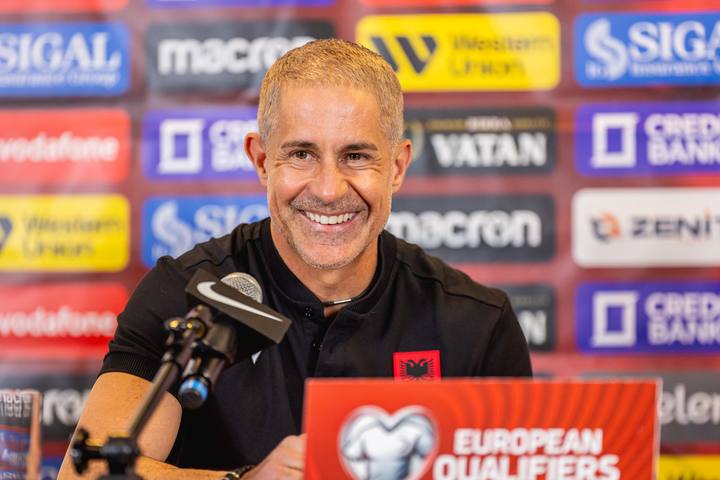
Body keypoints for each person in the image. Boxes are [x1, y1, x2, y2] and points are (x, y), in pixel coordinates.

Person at [58, 39, 532, 480]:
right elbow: (88, 473)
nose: (328, 190)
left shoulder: (475, 321)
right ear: (262, 161)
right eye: (302, 154)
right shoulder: (187, 294)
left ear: (397, 167)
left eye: (356, 156)